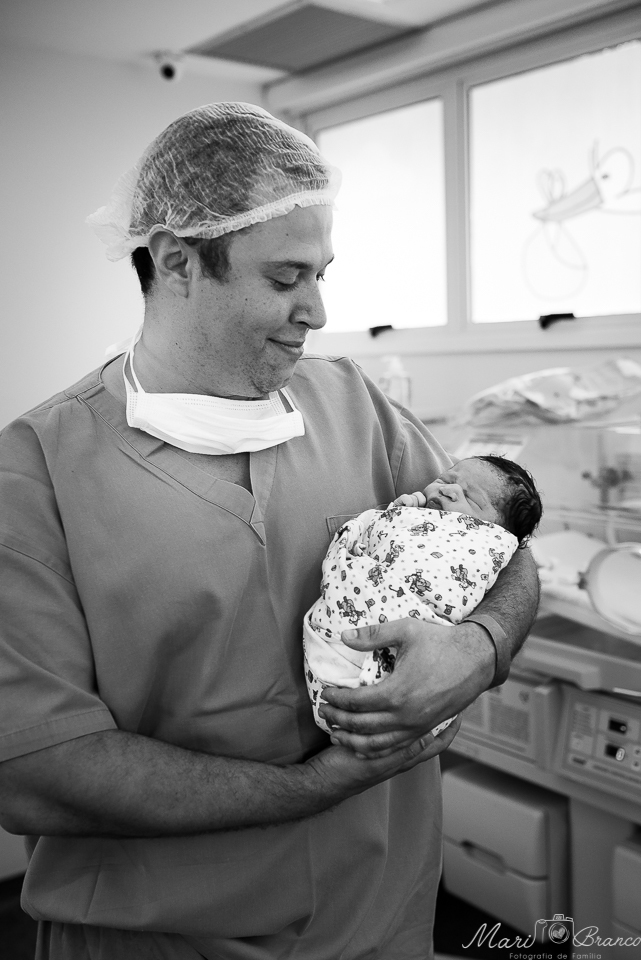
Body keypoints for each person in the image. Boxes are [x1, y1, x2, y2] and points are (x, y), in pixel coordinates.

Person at [0, 103, 539, 960]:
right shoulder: (35, 473)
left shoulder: (353, 404)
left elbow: (503, 553)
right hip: (161, 941)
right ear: (177, 260)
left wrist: (479, 646)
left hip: (385, 920)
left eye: (322, 274)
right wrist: (316, 787)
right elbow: (35, 774)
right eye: (286, 279)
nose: (317, 310)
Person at [304, 456, 542, 734]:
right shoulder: (413, 511)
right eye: (446, 480)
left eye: (471, 498)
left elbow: (512, 557)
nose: (449, 490)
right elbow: (382, 537)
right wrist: (398, 514)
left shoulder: (487, 542)